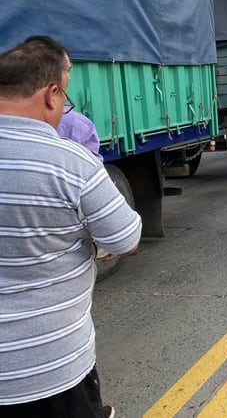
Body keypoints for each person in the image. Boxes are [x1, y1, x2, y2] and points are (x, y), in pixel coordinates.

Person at [0, 35, 142, 417]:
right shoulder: (70, 163)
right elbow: (126, 239)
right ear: (50, 94)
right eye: (65, 96)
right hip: (50, 368)